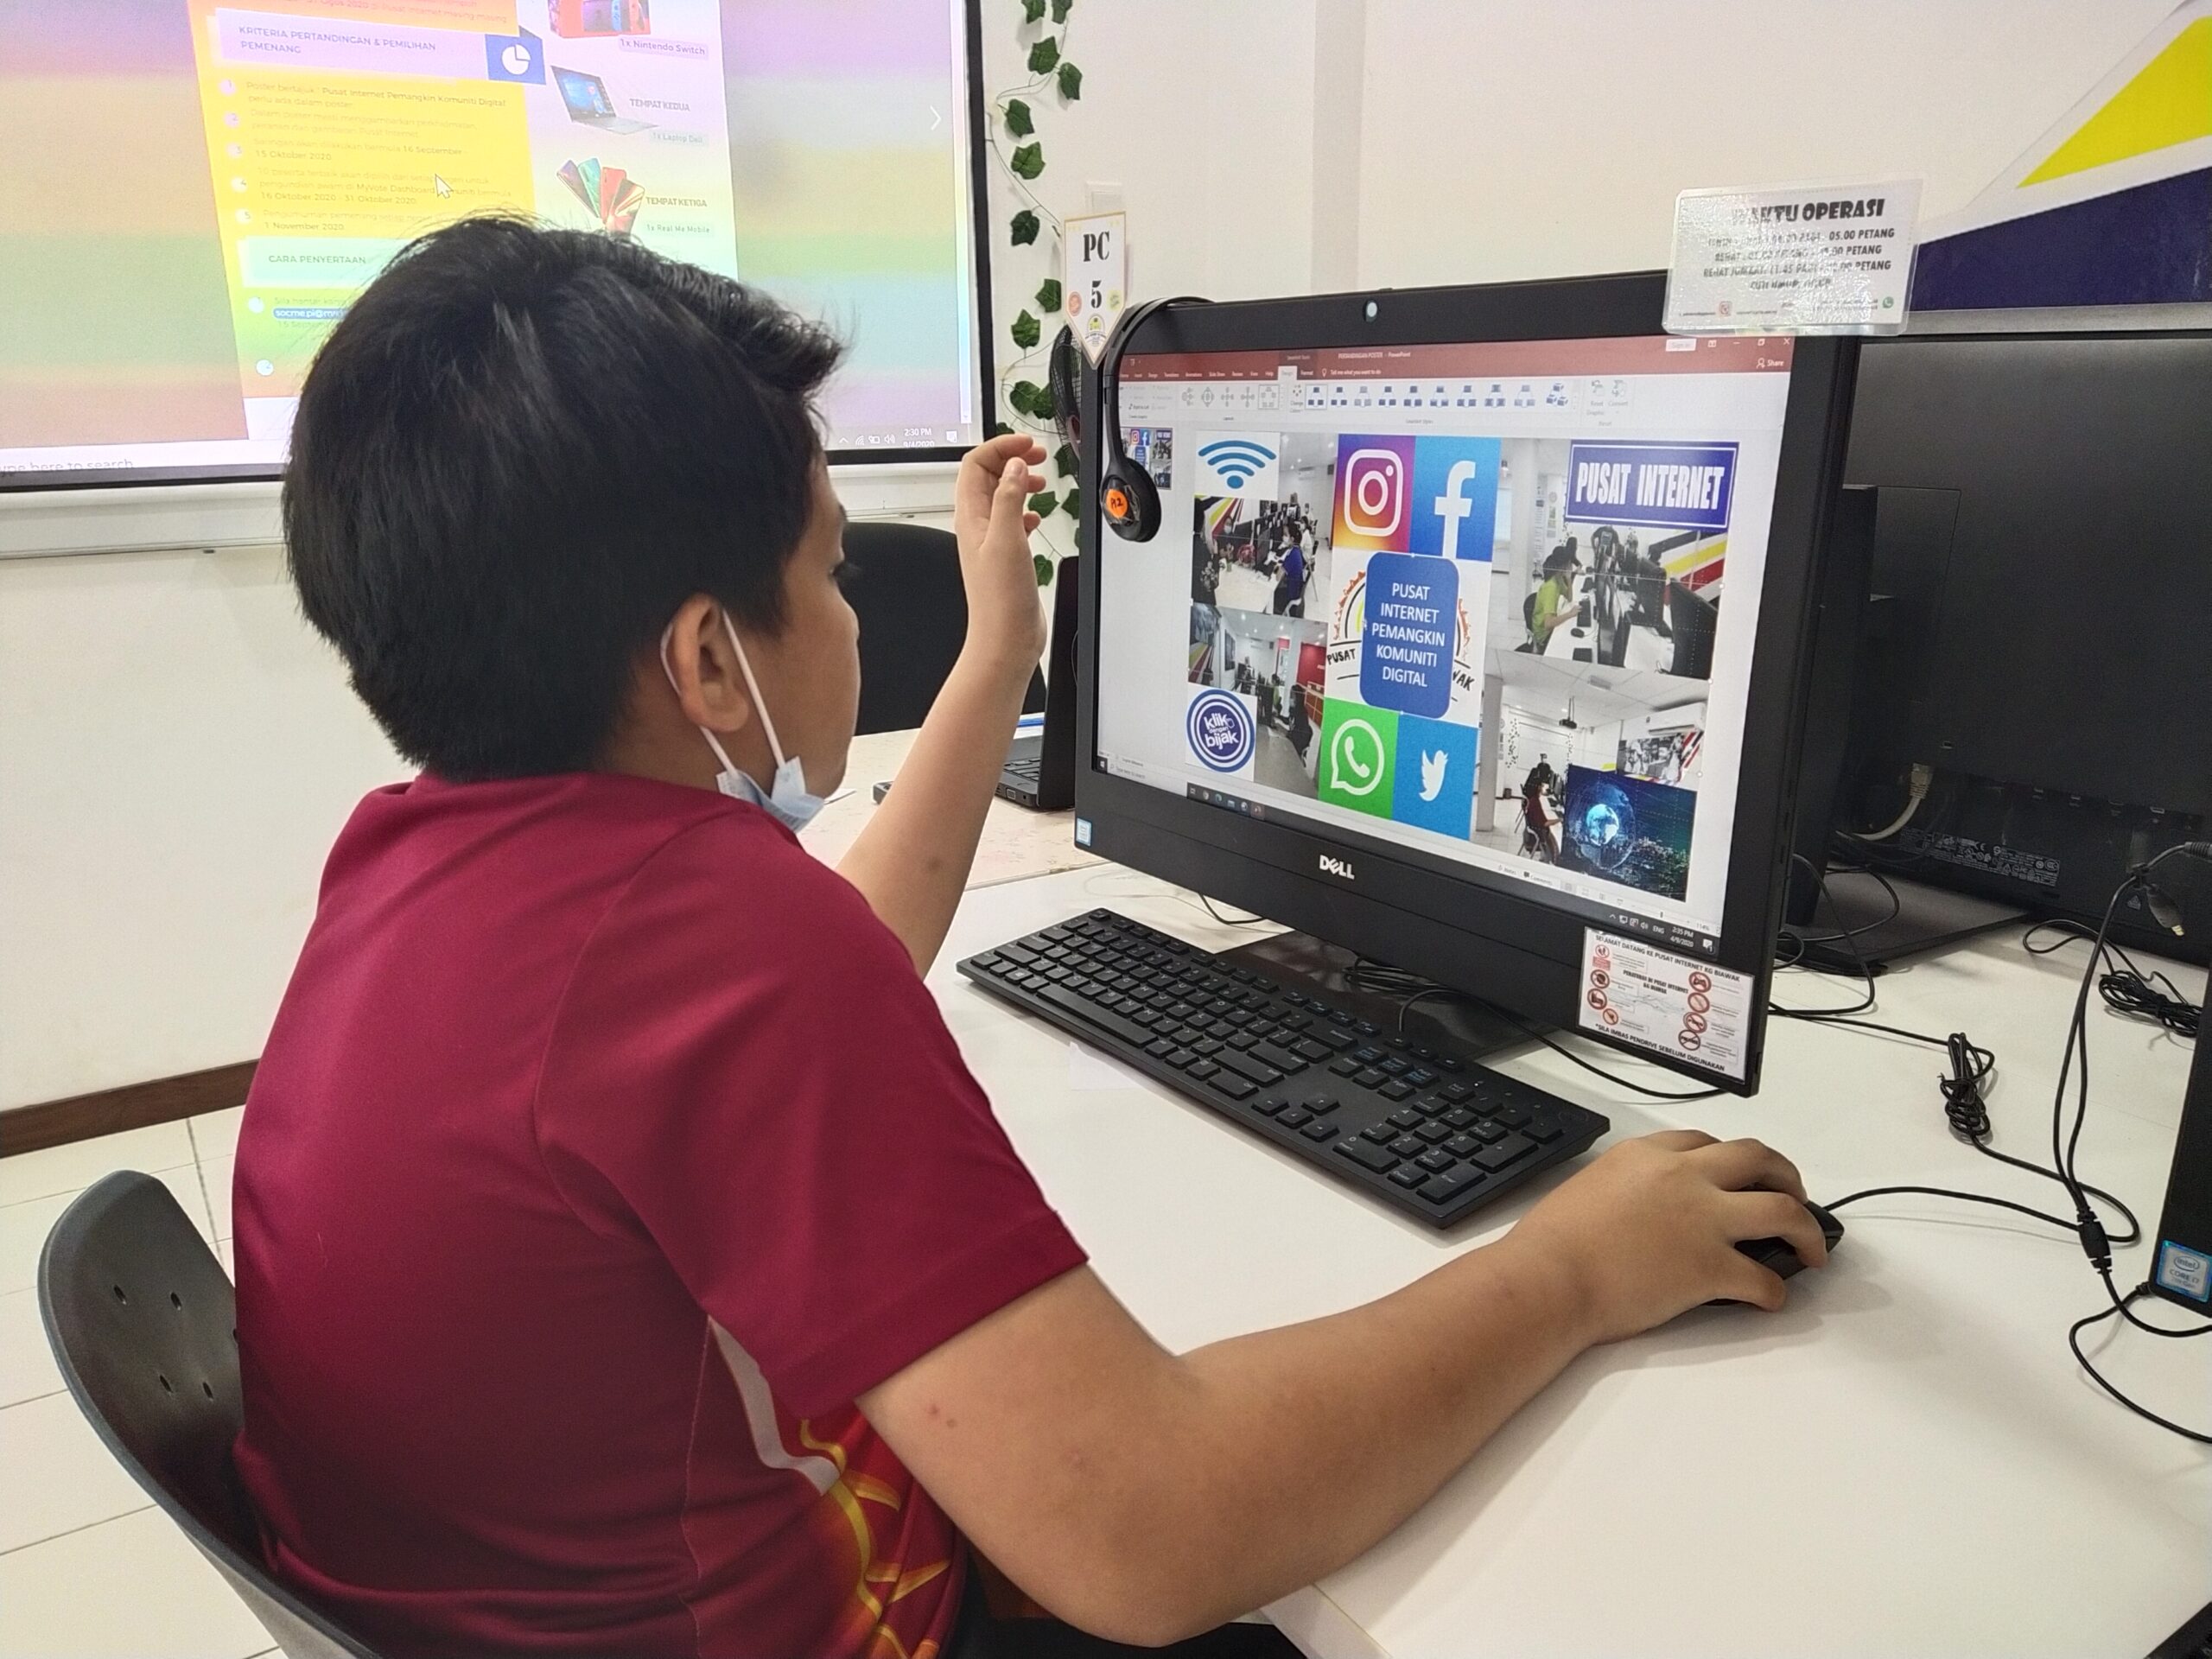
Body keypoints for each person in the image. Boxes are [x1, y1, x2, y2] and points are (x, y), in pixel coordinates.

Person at [239, 217, 1827, 1659]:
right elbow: (1150, 1534)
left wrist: (1001, 646)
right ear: (709, 666)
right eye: (830, 568)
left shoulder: (426, 865)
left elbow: (808, 973)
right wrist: (1571, 1269)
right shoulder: (722, 947)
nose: (854, 612)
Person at [1525, 544, 1580, 652]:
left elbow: (1569, 598)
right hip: (1543, 636)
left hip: (1547, 626)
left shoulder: (1558, 579)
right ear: (1564, 566)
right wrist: (1570, 614)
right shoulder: (1551, 587)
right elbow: (1548, 624)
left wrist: (1569, 579)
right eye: (1569, 564)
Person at [1522, 758, 1561, 861]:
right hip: (1538, 834)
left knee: (1552, 835)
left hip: (1533, 829)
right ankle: (1552, 859)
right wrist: (1560, 820)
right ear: (1538, 787)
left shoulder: (1533, 799)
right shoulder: (1535, 802)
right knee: (1554, 837)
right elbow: (1545, 823)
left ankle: (1545, 857)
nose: (1543, 786)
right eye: (1542, 786)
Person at [1273, 536, 1307, 617]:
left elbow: (1278, 578)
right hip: (1296, 591)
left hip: (1290, 595)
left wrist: (1277, 568)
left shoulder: (1292, 555)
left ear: (1292, 539)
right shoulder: (1297, 551)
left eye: (1287, 536)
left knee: (1273, 593)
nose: (1285, 538)